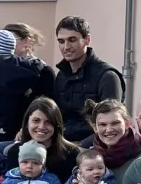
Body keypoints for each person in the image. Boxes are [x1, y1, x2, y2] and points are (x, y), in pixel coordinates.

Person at [0, 25, 56, 148]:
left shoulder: (44, 72)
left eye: (11, 39)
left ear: (26, 42)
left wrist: (26, 129)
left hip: (25, 136)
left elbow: (47, 108)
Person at [52, 16, 125, 144]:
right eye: (61, 41)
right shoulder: (61, 76)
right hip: (62, 143)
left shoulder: (108, 77)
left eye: (72, 40)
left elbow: (111, 126)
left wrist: (78, 147)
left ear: (87, 40)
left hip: (93, 148)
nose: (66, 47)